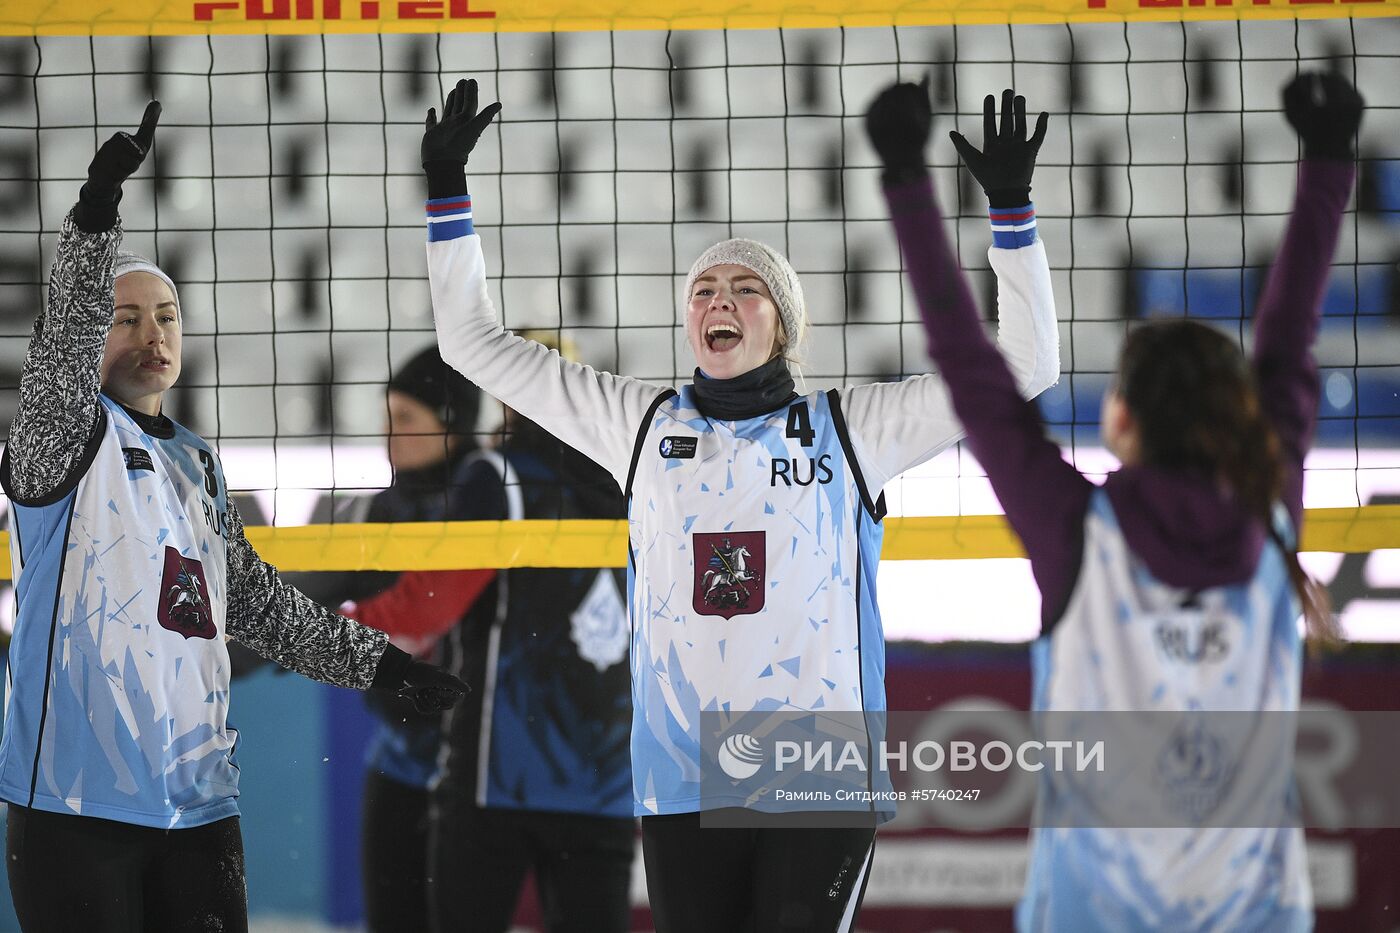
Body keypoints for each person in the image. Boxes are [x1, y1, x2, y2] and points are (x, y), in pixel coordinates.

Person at [417, 76, 1059, 932]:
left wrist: (1011, 215)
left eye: (743, 287)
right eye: (702, 289)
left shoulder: (850, 426)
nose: (718, 297)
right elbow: (471, 343)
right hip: (685, 775)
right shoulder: (638, 423)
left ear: (781, 324)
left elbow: (1026, 367)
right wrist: (447, 190)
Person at [0, 99, 468, 933]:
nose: (154, 333)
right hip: (80, 804)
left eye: (168, 316)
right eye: (127, 316)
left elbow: (254, 603)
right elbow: (61, 353)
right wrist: (96, 213)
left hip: (198, 804)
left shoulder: (198, 458)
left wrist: (382, 665)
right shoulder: (59, 437)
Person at [914, 73, 1361, 931]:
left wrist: (916, 180)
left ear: (1120, 418)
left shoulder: (1080, 531)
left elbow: (980, 379)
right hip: (1255, 910)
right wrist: (1334, 161)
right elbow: (1290, 341)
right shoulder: (1270, 520)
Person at [341, 334, 635, 933]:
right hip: (605, 783)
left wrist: (324, 626)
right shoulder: (635, 476)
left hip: (498, 780)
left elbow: (425, 608)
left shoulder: (495, 478)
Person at [306, 345, 491, 933]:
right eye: (387, 416)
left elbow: (421, 612)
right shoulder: (386, 505)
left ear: (452, 425)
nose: (390, 434)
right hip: (396, 754)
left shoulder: (482, 488)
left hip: (466, 764)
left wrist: (341, 628)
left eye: (406, 418)